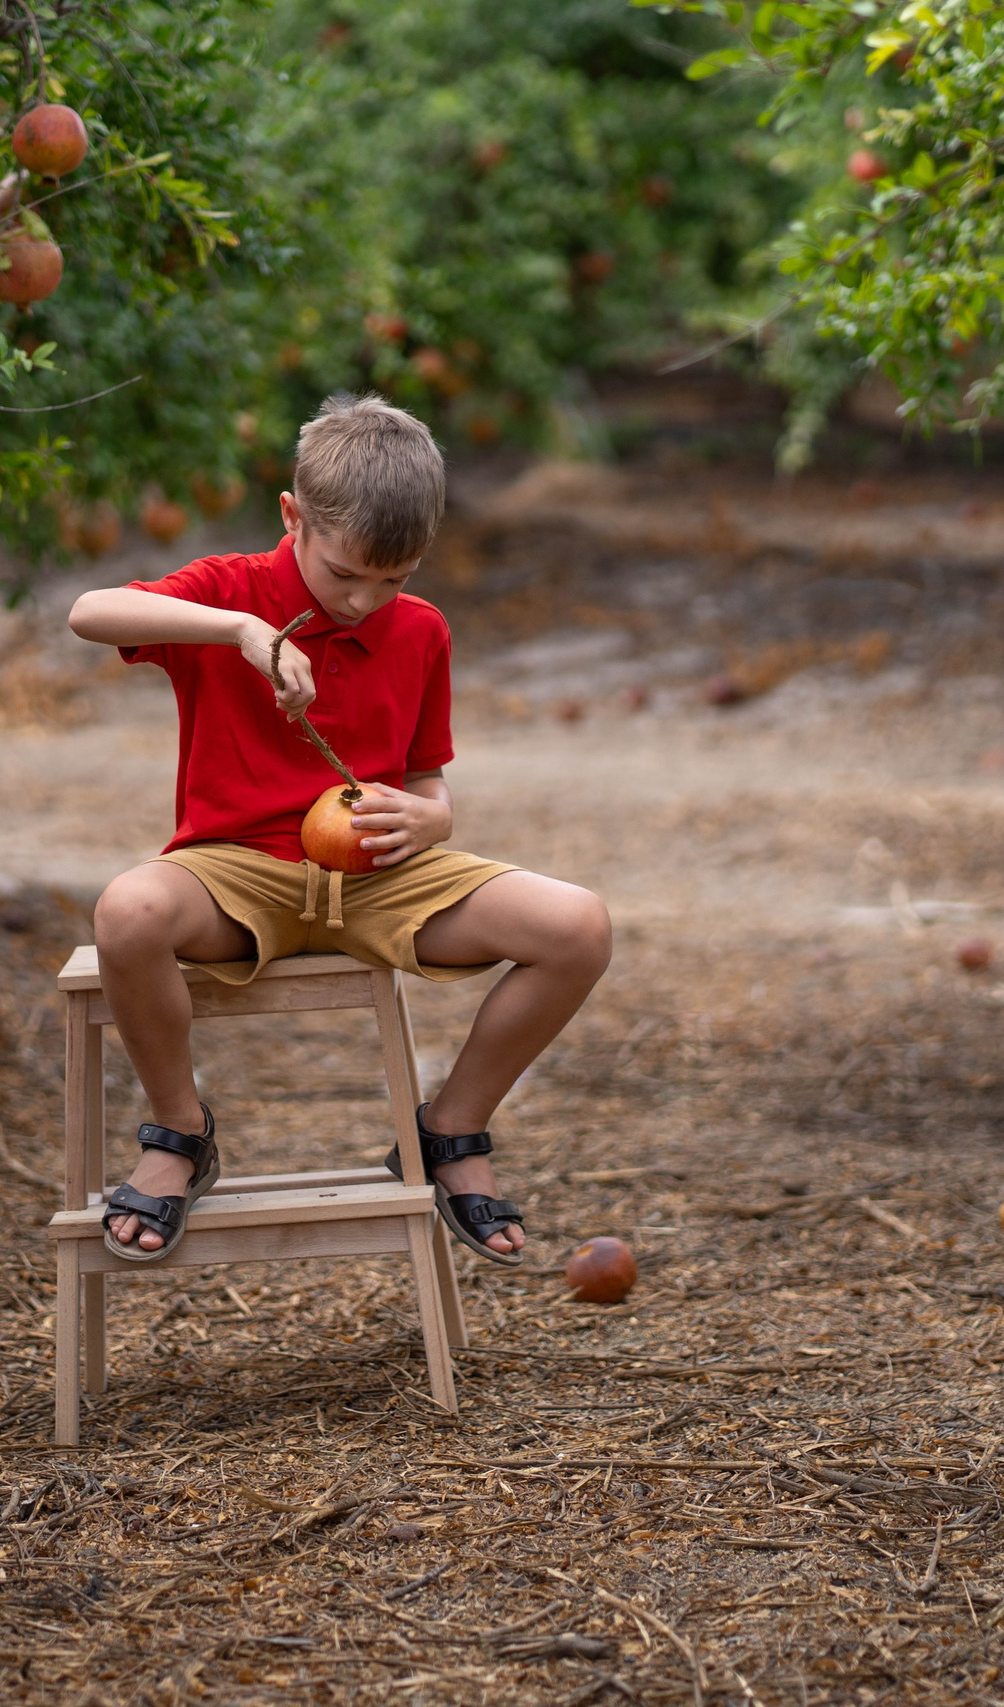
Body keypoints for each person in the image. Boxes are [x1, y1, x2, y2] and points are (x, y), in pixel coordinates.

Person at [67, 394, 612, 1272]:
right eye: (346, 573)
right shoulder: (230, 595)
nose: (365, 601)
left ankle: (450, 1128)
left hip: (377, 878)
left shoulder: (421, 630)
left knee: (578, 926)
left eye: (394, 579)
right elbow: (89, 611)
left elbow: (428, 781)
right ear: (293, 516)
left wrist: (431, 817)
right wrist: (240, 632)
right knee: (128, 912)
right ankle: (180, 1131)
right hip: (238, 872)